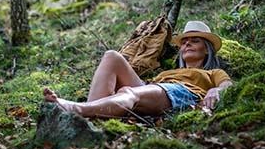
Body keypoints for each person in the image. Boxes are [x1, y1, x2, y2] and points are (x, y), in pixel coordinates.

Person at [43, 20, 233, 118]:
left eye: (195, 41)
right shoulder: (167, 73)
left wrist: (216, 89)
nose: (187, 45)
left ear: (206, 51)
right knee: (112, 56)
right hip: (156, 88)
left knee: (130, 92)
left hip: (183, 93)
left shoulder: (212, 73)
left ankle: (78, 109)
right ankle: (89, 115)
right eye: (184, 42)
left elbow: (228, 84)